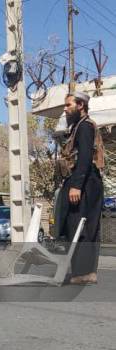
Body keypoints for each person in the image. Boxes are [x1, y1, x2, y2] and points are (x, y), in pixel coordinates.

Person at [55, 91, 104, 284]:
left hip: (85, 184)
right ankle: (84, 272)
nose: (65, 109)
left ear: (80, 105)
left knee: (80, 226)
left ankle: (84, 272)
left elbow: (84, 157)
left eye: (68, 105)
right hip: (84, 181)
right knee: (78, 225)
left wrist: (76, 185)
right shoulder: (78, 127)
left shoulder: (84, 127)